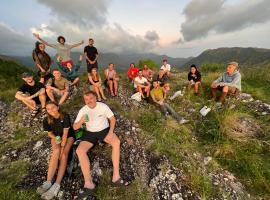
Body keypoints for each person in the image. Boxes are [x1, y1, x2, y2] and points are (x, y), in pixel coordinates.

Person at [73, 91, 128, 198]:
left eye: (91, 98)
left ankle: (116, 177)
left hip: (104, 130)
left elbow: (112, 119)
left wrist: (111, 132)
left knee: (116, 142)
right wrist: (81, 122)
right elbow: (75, 127)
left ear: (96, 97)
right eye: (86, 99)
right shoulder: (83, 110)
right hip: (90, 133)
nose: (89, 101)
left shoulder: (102, 106)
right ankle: (89, 184)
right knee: (80, 150)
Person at [36, 101, 75, 200]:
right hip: (57, 137)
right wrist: (56, 138)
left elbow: (66, 134)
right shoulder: (46, 119)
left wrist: (62, 147)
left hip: (69, 136)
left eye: (53, 108)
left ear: (57, 107)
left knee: (64, 155)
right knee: (55, 153)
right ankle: (48, 182)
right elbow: (49, 134)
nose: (51, 110)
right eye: (48, 109)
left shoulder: (64, 116)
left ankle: (56, 185)